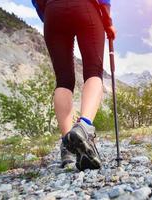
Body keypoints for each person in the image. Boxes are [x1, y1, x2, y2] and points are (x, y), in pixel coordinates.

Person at [32, 0, 116, 170]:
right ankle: (84, 127)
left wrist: (49, 13)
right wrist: (108, 22)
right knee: (93, 71)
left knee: (63, 80)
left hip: (52, 11)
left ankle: (67, 148)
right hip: (85, 7)